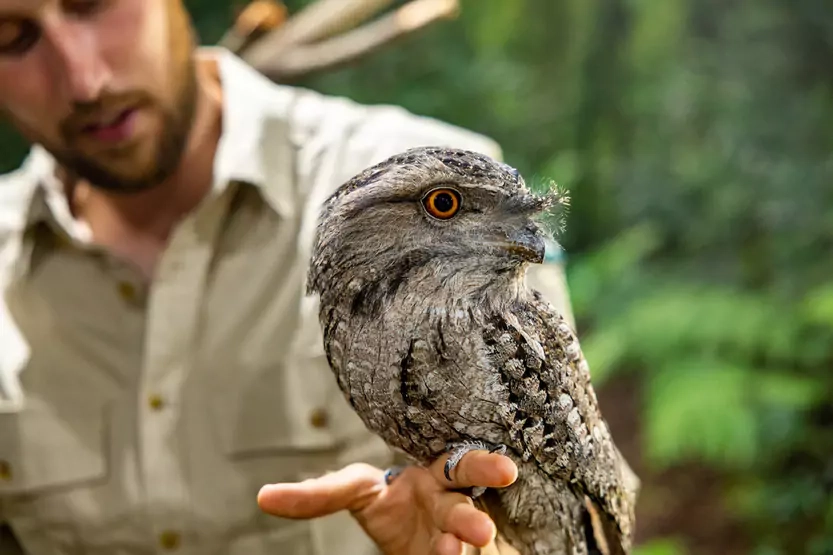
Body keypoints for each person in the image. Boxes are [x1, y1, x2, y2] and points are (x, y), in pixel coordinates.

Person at [0, 1, 575, 554]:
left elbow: (568, 518)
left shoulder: (444, 202)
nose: (83, 79)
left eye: (94, 3)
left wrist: (489, 546)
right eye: (11, 38)